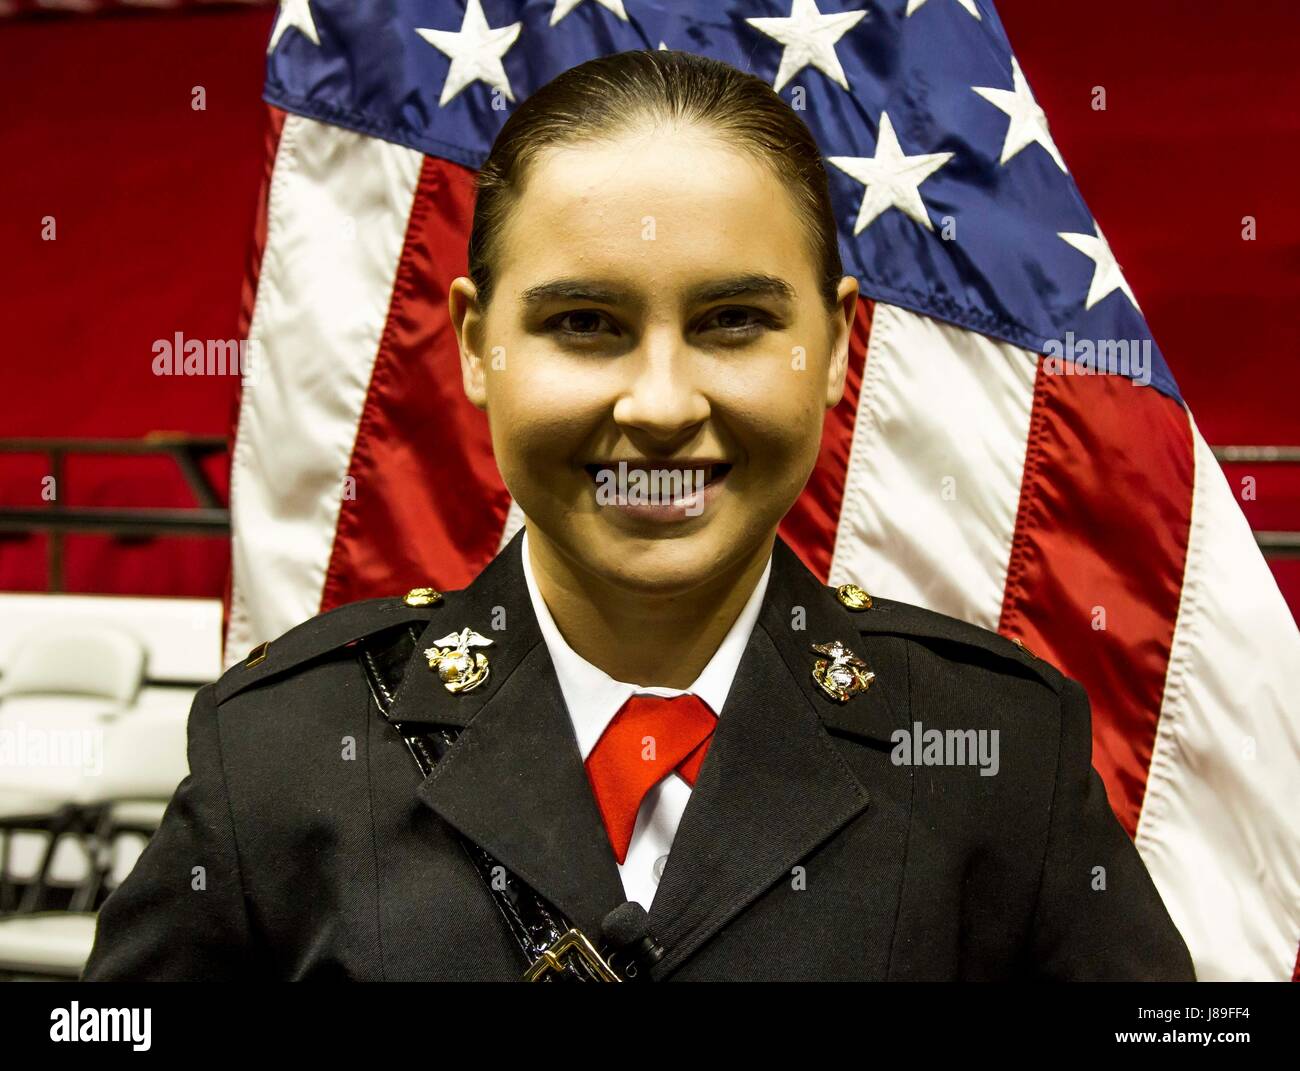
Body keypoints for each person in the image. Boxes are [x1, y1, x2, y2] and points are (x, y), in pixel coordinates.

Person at [81, 49, 1194, 982]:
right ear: (476, 344)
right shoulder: (281, 754)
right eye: (583, 323)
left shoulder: (996, 753)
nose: (660, 405)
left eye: (733, 320)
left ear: (837, 346)